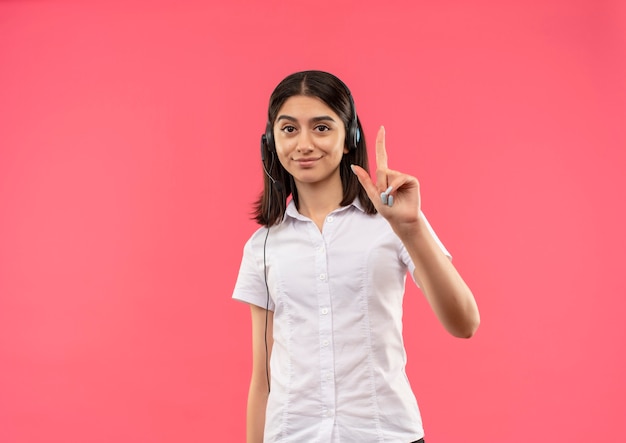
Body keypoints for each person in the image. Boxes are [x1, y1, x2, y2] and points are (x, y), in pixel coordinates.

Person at [232, 70, 480, 443]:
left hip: (385, 433)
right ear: (271, 142)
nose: (303, 144)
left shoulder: (393, 221)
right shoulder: (262, 246)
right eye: (288, 129)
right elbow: (262, 377)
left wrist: (410, 228)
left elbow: (465, 323)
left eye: (321, 127)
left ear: (350, 138)